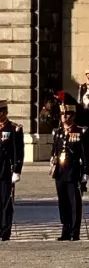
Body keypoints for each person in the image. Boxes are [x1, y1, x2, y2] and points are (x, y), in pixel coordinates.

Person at [52, 92, 89, 241]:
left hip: (73, 172)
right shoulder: (58, 132)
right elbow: (54, 151)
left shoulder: (80, 131)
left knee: (74, 202)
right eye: (62, 114)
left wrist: (86, 172)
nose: (64, 117)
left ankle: (75, 231)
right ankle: (65, 229)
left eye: (67, 114)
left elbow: (85, 154)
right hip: (60, 172)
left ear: (73, 115)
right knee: (63, 202)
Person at [0, 98, 25, 242]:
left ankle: (5, 230)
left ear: (4, 112)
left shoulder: (14, 129)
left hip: (6, 170)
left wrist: (17, 170)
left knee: (6, 201)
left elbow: (18, 152)